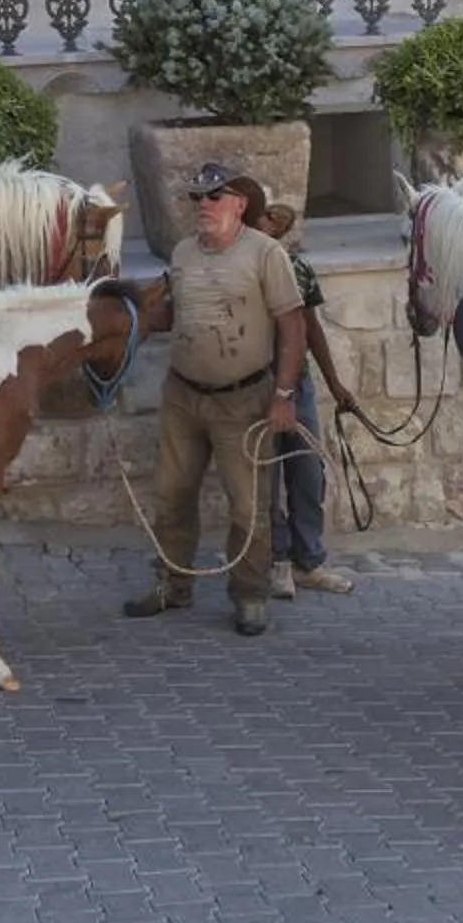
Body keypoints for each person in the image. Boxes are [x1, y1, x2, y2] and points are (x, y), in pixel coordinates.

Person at [123, 161, 307, 636]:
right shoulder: (183, 253)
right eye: (196, 197)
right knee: (171, 495)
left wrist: (283, 395)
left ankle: (249, 594)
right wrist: (123, 325)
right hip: (183, 395)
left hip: (243, 399)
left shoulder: (265, 254)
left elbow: (293, 326)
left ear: (240, 203)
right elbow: (171, 314)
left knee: (248, 506)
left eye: (214, 196)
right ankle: (172, 584)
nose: (203, 205)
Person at [256, 200, 359, 600]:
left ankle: (309, 561)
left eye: (273, 220)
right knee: (266, 476)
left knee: (308, 472)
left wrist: (335, 384)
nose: (268, 224)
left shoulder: (296, 268)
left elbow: (311, 328)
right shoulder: (242, 267)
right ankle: (277, 561)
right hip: (255, 383)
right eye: (262, 217)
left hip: (297, 384)